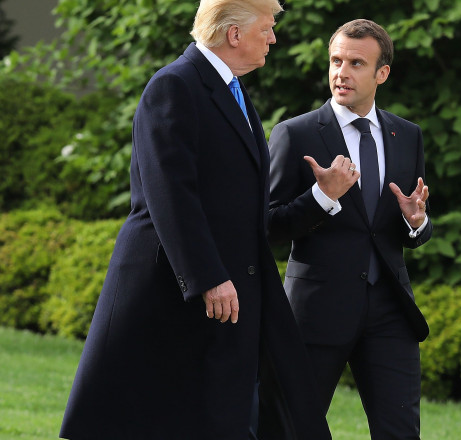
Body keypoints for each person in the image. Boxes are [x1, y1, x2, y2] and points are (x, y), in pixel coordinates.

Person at [59, 1, 330, 439]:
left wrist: (321, 198)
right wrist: (207, 277)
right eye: (268, 28)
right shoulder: (174, 85)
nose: (274, 38)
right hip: (171, 293)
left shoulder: (233, 92)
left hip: (227, 295)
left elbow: (242, 209)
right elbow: (170, 193)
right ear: (235, 35)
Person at [267, 18, 433, 440]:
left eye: (356, 63)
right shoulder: (296, 133)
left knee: (400, 433)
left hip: (391, 314)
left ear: (382, 73)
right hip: (316, 312)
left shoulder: (406, 136)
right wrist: (324, 197)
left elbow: (397, 227)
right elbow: (267, 227)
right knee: (290, 430)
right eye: (336, 60)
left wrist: (417, 222)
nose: (341, 72)